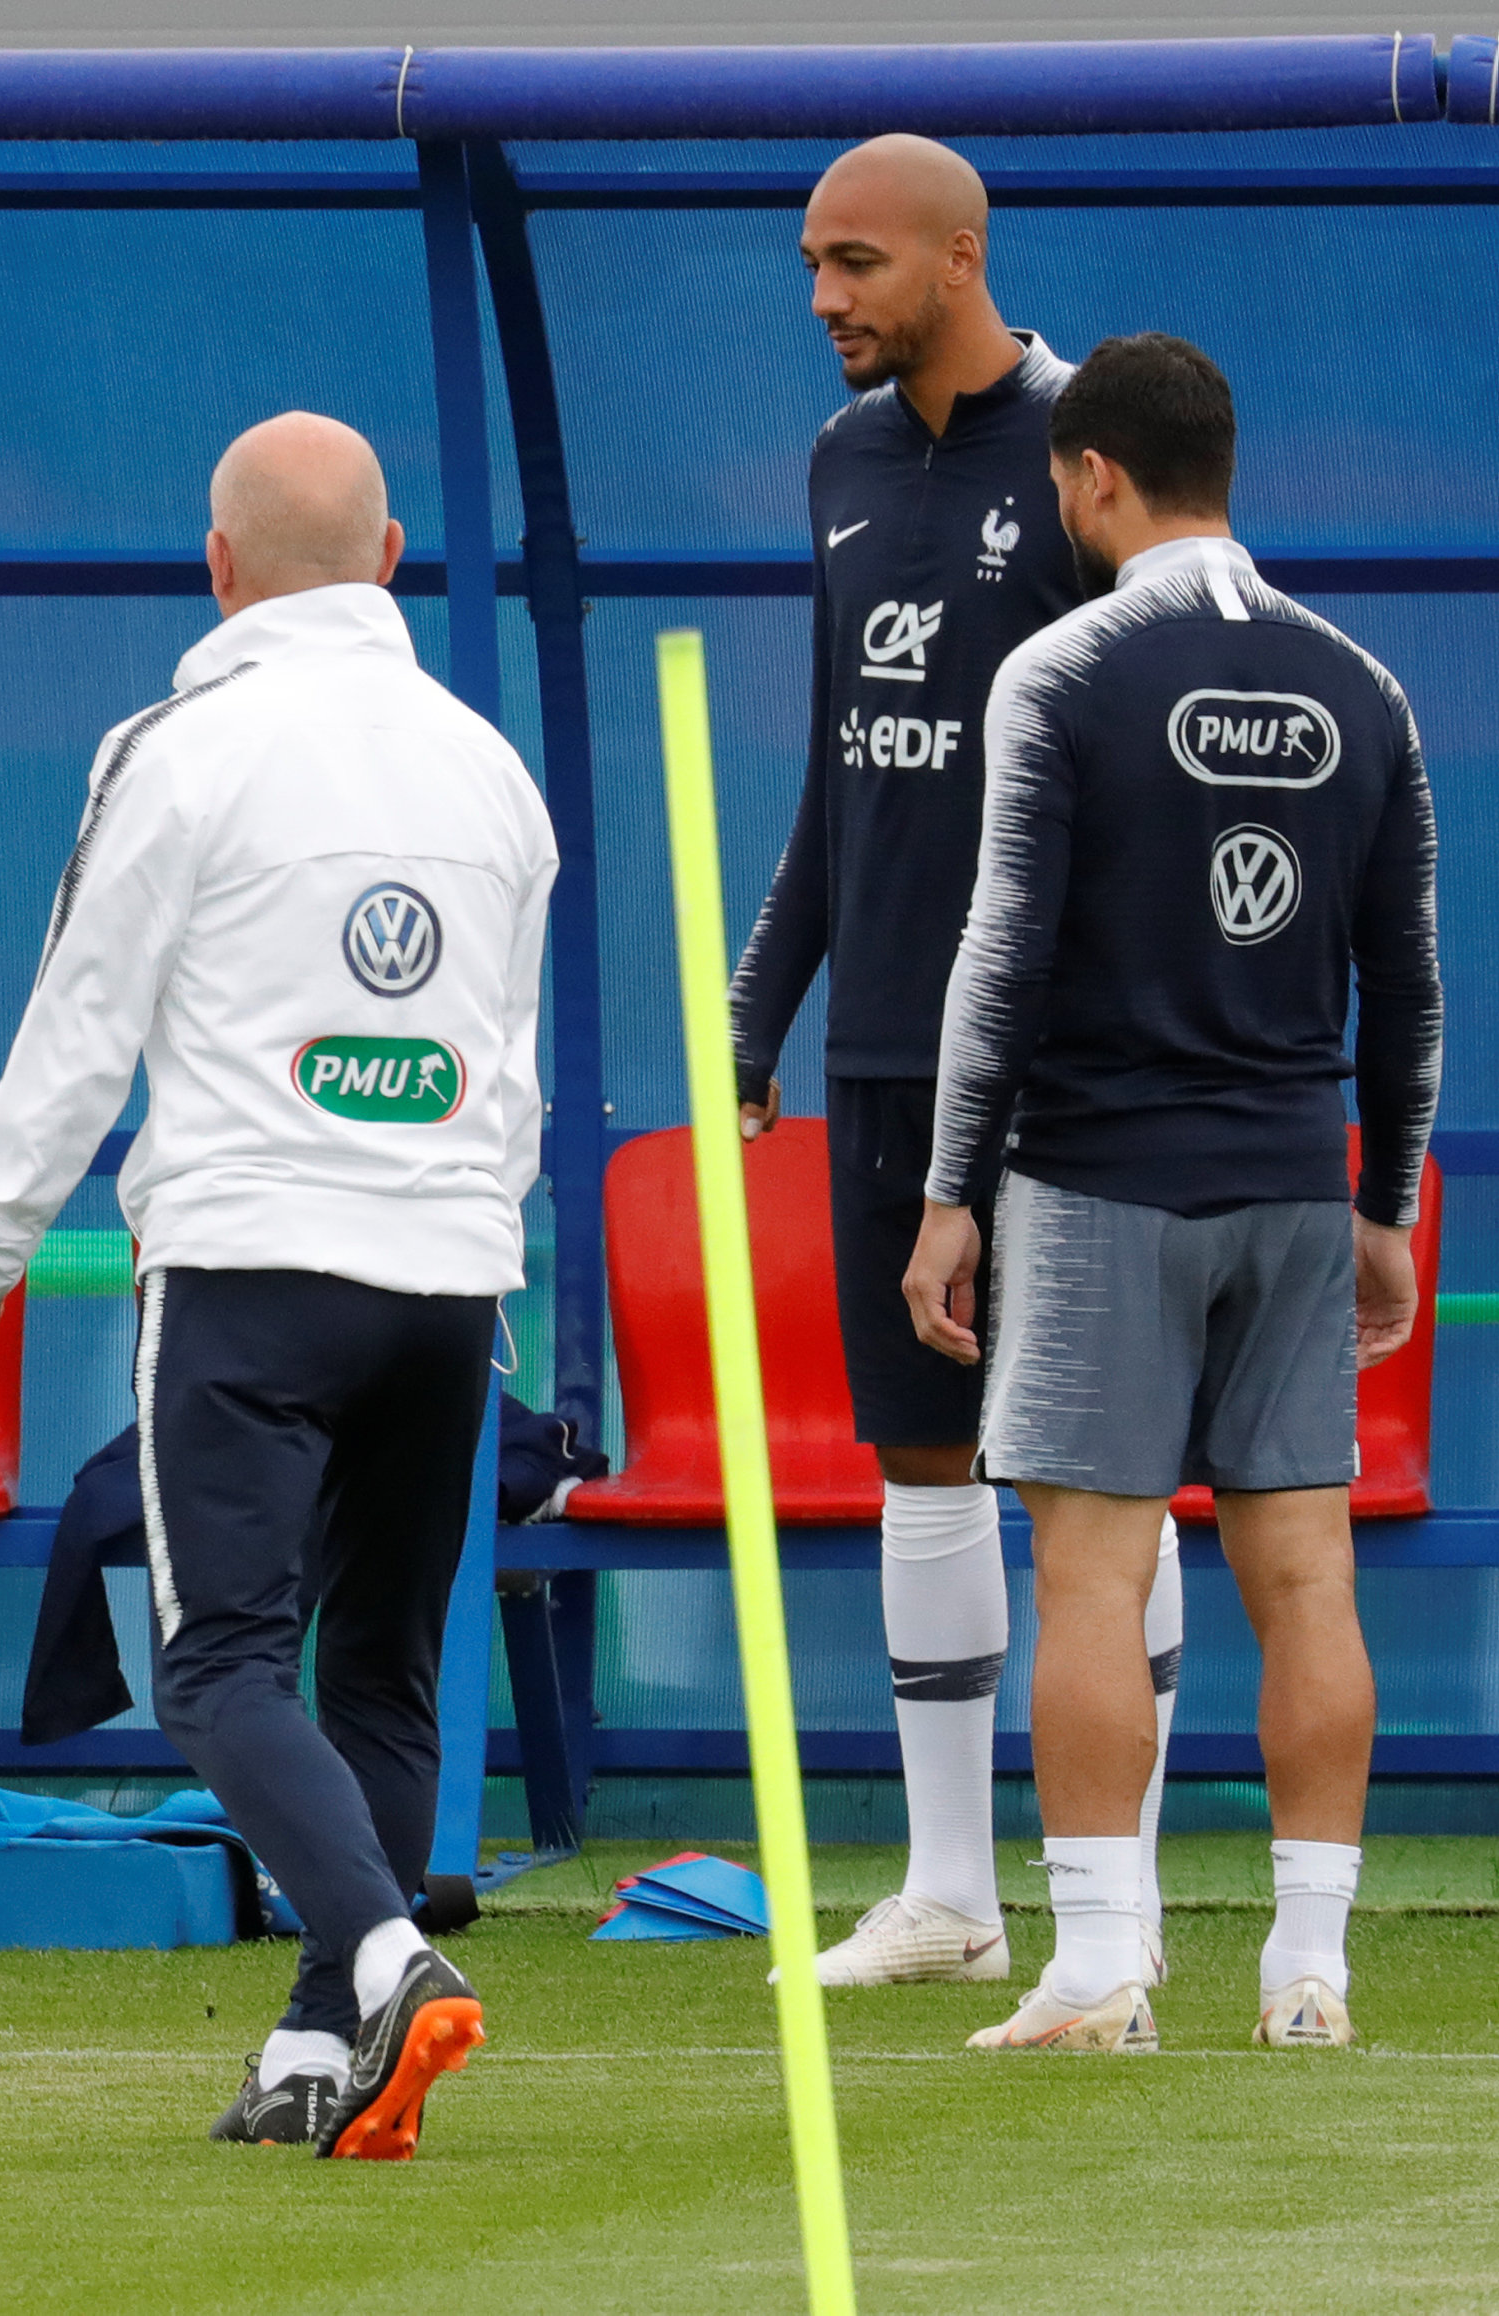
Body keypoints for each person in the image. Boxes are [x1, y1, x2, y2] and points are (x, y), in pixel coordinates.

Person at [0, 413, 553, 2160]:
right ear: (390, 559)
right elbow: (507, 1067)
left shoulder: (175, 746)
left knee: (217, 1667)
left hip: (249, 1267)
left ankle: (391, 1960)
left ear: (217, 569)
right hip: (444, 1278)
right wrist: (468, 1229)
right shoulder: (489, 767)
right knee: (384, 1671)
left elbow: (83, 1010)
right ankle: (311, 2053)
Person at [910, 334, 1435, 2053]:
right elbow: (1408, 982)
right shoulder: (1365, 686)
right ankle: (1310, 1970)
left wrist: (950, 1193)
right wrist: (1384, 1205)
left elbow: (1001, 957)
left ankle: (1095, 1972)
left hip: (1098, 1184)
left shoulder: (1060, 672)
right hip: (1293, 1185)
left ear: (1092, 477)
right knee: (1307, 1583)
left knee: (1088, 1581)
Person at [727, 134, 1183, 1987]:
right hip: (882, 1056)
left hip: (1064, 1054)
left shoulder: (1089, 452)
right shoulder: (839, 459)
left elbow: (1149, 762)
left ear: (961, 257)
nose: (823, 296)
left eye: (855, 262)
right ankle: (951, 1900)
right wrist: (762, 1007)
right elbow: (844, 766)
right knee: (921, 1463)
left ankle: (1121, 1904)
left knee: (1096, 1471)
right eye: (811, 264)